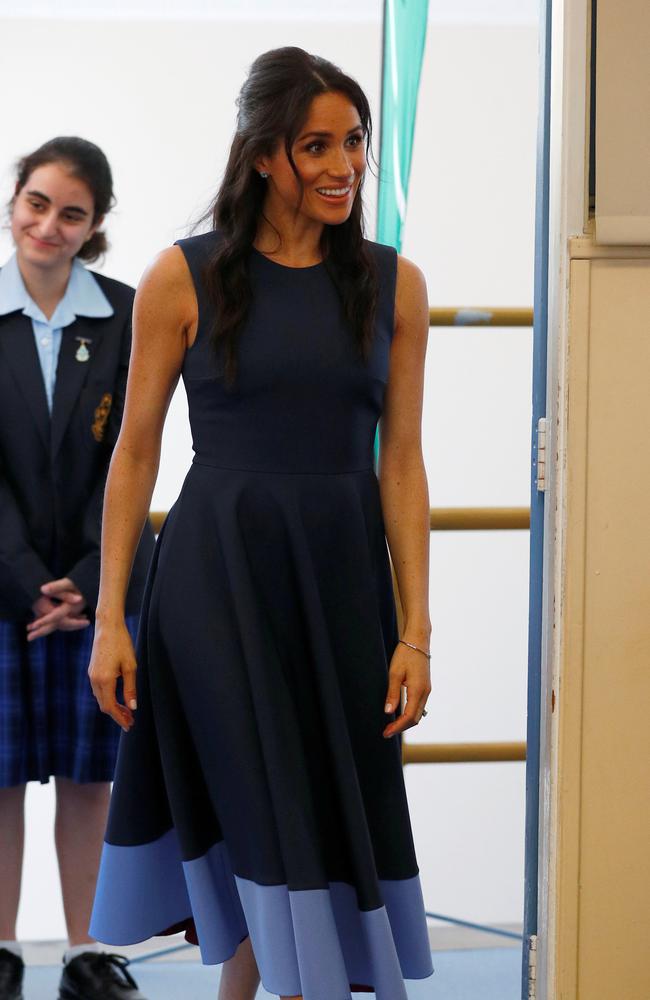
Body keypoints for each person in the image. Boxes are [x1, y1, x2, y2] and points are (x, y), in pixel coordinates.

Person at [88, 46, 434, 1000]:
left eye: (353, 141)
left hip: (342, 583)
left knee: (311, 816)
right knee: (262, 811)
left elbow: (400, 463)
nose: (342, 165)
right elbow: (136, 455)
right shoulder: (181, 277)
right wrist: (113, 617)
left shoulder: (394, 286)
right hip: (216, 584)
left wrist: (417, 630)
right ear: (262, 154)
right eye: (314, 144)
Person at [0, 137, 155, 1000]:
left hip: (93, 593)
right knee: (0, 778)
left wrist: (94, 580)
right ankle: (2, 948)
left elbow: (133, 459)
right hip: (3, 589)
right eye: (36, 203)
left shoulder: (127, 316)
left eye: (71, 213)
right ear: (13, 200)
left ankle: (90, 951)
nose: (48, 226)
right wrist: (29, 580)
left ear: (95, 227)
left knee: (90, 778)